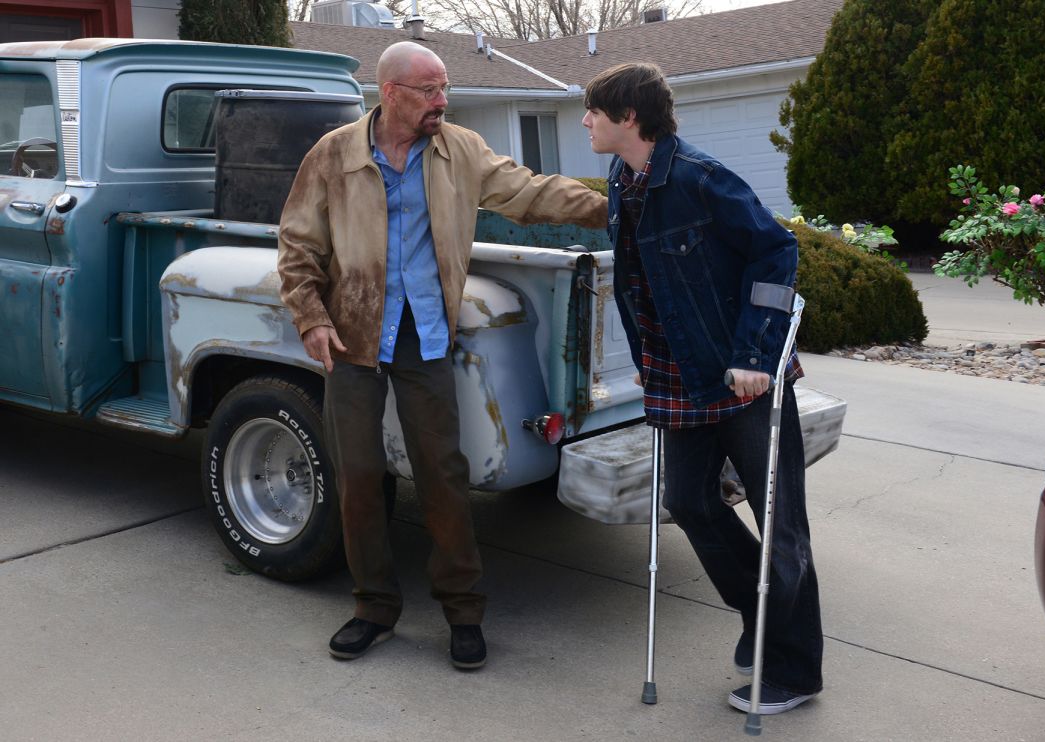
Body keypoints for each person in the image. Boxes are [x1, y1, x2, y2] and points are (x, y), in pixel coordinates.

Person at [278, 41, 607, 670]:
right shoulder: (335, 154)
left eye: (445, 89)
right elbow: (297, 243)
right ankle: (373, 606)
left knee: (443, 476)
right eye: (430, 90)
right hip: (353, 337)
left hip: (425, 334)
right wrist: (311, 318)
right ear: (392, 92)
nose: (442, 101)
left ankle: (463, 611)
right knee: (356, 476)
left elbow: (530, 193)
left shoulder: (461, 149)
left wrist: (613, 205)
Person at [582, 62, 823, 714]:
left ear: (628, 117)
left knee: (781, 527)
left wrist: (755, 354)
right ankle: (758, 609)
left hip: (742, 379)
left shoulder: (700, 177)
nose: (585, 122)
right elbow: (641, 281)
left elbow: (777, 252)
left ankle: (794, 672)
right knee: (688, 500)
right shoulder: (623, 180)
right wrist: (645, 353)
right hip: (676, 376)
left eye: (594, 112)